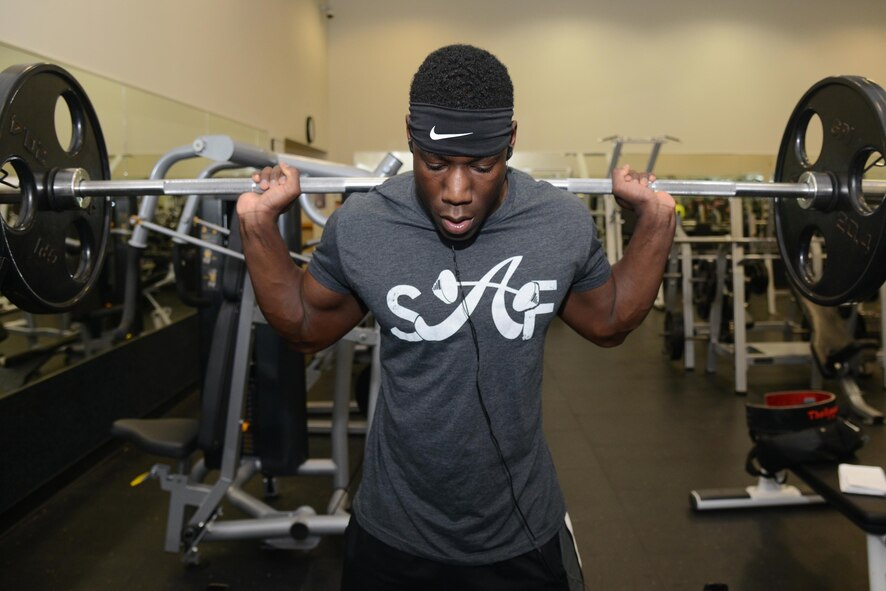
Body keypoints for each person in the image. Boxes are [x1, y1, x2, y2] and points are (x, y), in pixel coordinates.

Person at [237, 44, 676, 591]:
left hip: (520, 528)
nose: (457, 193)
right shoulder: (365, 226)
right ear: (410, 136)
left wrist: (656, 221)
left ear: (510, 141)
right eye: (436, 163)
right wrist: (257, 226)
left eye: (482, 166)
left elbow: (608, 323)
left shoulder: (558, 223)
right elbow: (305, 328)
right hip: (393, 530)